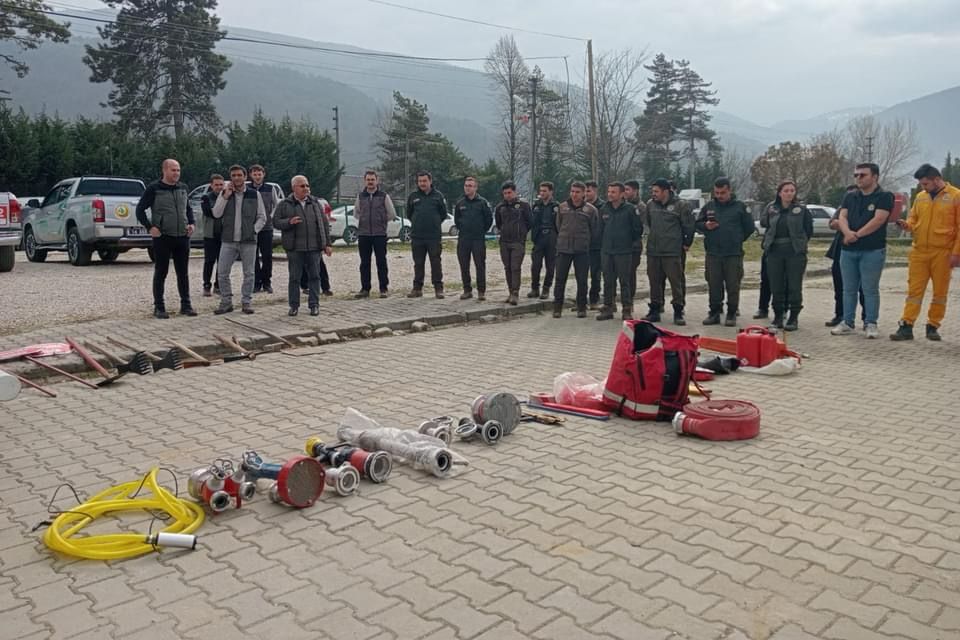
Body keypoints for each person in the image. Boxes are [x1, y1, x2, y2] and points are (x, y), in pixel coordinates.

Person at [890, 163, 960, 341]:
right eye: (921, 184)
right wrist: (907, 225)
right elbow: (913, 218)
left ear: (937, 180)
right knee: (914, 290)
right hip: (920, 250)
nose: (923, 187)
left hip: (942, 252)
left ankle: (933, 325)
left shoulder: (956, 196)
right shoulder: (921, 197)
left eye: (926, 184)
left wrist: (956, 253)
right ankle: (906, 325)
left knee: (940, 292)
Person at [831, 162, 894, 338]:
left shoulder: (884, 196)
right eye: (856, 175)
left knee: (870, 289)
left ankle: (871, 323)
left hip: (872, 250)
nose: (858, 178)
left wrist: (857, 235)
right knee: (848, 288)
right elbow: (842, 216)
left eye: (863, 175)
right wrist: (847, 233)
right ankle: (847, 322)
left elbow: (879, 220)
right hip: (848, 250)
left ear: (875, 177)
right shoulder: (850, 196)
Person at [135, 158, 196, 319]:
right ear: (165, 170)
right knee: (161, 272)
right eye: (173, 170)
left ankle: (186, 305)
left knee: (183, 273)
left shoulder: (183, 188)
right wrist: (150, 227)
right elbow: (140, 210)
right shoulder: (154, 189)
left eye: (178, 170)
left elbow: (188, 209)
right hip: (163, 237)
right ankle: (159, 307)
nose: (176, 173)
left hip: (182, 236)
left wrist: (192, 223)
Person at [696, 177, 756, 326]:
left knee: (733, 285)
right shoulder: (709, 206)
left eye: (722, 192)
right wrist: (706, 226)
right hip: (713, 253)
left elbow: (749, 228)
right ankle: (714, 313)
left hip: (733, 254)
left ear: (729, 190)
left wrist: (736, 239)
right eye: (716, 192)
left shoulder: (740, 207)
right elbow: (697, 223)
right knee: (714, 284)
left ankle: (731, 313)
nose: (719, 196)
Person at [274, 175, 333, 316]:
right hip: (295, 248)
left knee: (315, 277)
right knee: (294, 278)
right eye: (302, 186)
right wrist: (289, 222)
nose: (306, 188)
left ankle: (314, 305)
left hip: (313, 248)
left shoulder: (315, 203)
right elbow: (275, 222)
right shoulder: (284, 204)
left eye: (307, 185)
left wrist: (327, 244)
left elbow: (324, 224)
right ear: (294, 188)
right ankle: (294, 306)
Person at [759, 180, 813, 331]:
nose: (789, 193)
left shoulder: (801, 210)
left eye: (792, 190)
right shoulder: (772, 209)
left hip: (794, 252)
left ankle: (793, 317)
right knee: (776, 285)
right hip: (775, 251)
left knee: (794, 285)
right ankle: (778, 316)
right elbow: (766, 224)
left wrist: (800, 245)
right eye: (786, 190)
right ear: (779, 193)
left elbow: (808, 230)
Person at [212, 165, 266, 315]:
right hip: (228, 240)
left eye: (239, 175)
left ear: (245, 177)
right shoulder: (225, 193)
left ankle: (246, 302)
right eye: (233, 175)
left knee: (249, 273)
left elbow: (262, 217)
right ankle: (226, 302)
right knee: (222, 273)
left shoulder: (254, 195)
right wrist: (225, 196)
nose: (236, 178)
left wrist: (253, 230)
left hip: (248, 241)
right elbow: (216, 213)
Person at [642, 178, 694, 325]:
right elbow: (649, 223)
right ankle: (655, 310)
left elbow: (689, 226)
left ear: (666, 191)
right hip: (654, 251)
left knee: (676, 282)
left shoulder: (681, 205)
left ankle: (678, 311)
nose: (653, 194)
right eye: (652, 191)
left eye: (656, 191)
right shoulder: (650, 205)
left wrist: (686, 243)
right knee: (654, 282)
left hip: (672, 252)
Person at [596, 182, 642, 321]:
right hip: (607, 251)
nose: (610, 194)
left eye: (613, 192)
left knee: (625, 281)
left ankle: (626, 309)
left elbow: (637, 230)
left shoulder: (630, 209)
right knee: (608, 281)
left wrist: (628, 242)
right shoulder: (604, 209)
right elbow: (599, 229)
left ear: (622, 194)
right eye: (609, 191)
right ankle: (608, 308)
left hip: (624, 251)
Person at [553, 182, 598, 318]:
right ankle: (557, 308)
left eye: (577, 192)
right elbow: (558, 225)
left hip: (581, 250)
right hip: (564, 249)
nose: (574, 194)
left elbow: (594, 230)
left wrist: (586, 242)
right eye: (572, 191)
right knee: (560, 280)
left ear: (584, 193)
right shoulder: (562, 207)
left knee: (582, 280)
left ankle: (581, 307)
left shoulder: (590, 210)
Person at [825, 185, 864, 327]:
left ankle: (867, 318)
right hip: (840, 249)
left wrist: (843, 224)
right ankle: (839, 315)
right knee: (839, 286)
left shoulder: (866, 207)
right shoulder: (842, 208)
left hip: (863, 249)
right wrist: (845, 226)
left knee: (863, 288)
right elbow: (832, 223)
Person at [354, 170, 396, 298]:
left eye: (373, 179)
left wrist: (381, 221)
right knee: (364, 263)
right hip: (364, 235)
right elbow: (356, 213)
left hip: (379, 235)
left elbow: (392, 214)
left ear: (377, 181)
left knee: (381, 262)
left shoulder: (384, 196)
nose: (370, 182)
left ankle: (383, 288)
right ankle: (365, 289)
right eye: (368, 179)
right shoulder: (360, 196)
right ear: (365, 181)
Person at [406, 171, 447, 298]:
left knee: (435, 262)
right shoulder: (413, 196)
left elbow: (443, 214)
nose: (422, 183)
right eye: (420, 181)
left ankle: (438, 289)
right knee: (418, 263)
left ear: (430, 181)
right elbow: (409, 214)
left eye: (424, 181)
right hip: (417, 236)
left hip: (433, 236)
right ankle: (417, 288)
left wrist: (433, 223)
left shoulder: (438, 196)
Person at [454, 176, 493, 301]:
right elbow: (457, 220)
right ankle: (467, 290)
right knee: (464, 265)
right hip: (464, 238)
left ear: (476, 187)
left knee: (480, 265)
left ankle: (481, 291)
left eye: (470, 186)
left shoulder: (483, 203)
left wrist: (481, 231)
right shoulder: (460, 203)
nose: (467, 188)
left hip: (478, 239)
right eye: (466, 185)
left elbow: (489, 220)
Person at [494, 181, 533, 305]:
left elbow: (530, 222)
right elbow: (499, 223)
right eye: (505, 193)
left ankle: (515, 293)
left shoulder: (523, 206)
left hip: (518, 242)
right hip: (504, 241)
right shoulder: (500, 207)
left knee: (515, 267)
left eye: (509, 192)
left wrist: (521, 232)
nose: (507, 195)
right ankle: (510, 291)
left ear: (515, 192)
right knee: (507, 268)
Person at [527, 182, 559, 300]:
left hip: (551, 237)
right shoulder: (536, 205)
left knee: (550, 266)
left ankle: (546, 289)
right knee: (535, 265)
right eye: (541, 191)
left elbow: (560, 223)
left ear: (551, 192)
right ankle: (535, 288)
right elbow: (531, 221)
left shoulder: (556, 206)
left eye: (544, 191)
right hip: (539, 237)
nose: (542, 193)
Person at [250, 165, 279, 294]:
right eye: (255, 174)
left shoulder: (270, 188)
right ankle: (256, 283)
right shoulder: (247, 189)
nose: (257, 176)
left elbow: (276, 204)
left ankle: (267, 282)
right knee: (253, 256)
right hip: (252, 228)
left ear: (263, 174)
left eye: (259, 174)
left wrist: (271, 217)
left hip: (267, 228)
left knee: (267, 256)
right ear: (251, 175)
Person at [200, 174, 224, 297]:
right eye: (216, 185)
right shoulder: (206, 197)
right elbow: (209, 212)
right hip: (210, 235)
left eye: (221, 184)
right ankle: (206, 285)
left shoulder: (227, 197)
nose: (219, 187)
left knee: (222, 262)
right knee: (209, 261)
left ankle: (218, 285)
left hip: (224, 235)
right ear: (211, 185)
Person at [584, 180, 605, 309]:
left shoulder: (603, 206)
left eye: (588, 191)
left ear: (595, 191)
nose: (586, 194)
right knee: (582, 275)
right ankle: (581, 300)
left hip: (597, 246)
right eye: (585, 191)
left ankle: (594, 299)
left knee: (595, 275)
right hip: (583, 245)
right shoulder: (582, 206)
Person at [624, 179, 646, 300]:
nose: (625, 192)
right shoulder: (622, 205)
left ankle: (629, 300)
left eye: (628, 189)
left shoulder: (641, 207)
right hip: (621, 245)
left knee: (630, 274)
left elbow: (642, 227)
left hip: (634, 246)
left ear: (635, 191)